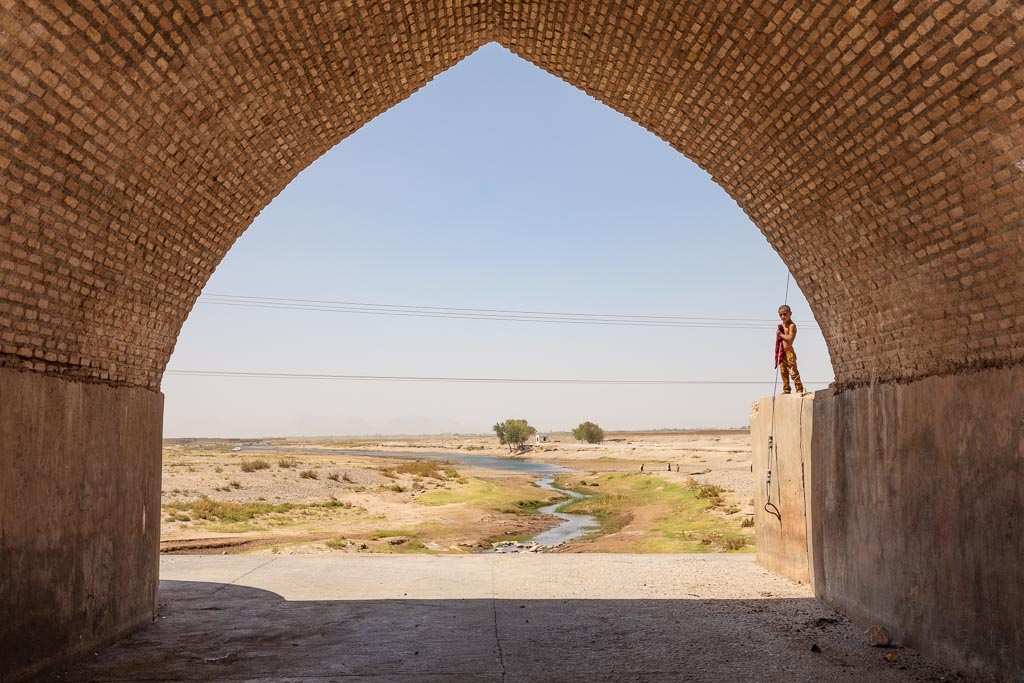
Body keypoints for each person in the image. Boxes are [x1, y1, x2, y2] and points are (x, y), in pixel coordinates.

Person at [776, 305, 807, 396]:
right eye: (780, 315)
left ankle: (799, 389)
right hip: (782, 353)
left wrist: (780, 334)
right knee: (783, 372)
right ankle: (786, 390)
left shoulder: (792, 326)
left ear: (790, 314)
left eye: (785, 314)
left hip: (789, 352)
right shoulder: (781, 326)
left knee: (793, 371)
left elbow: (790, 339)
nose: (783, 317)